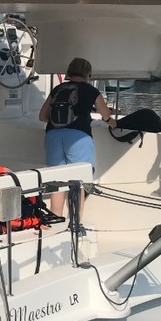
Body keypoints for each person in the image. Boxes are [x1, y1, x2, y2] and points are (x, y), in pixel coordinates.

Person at [39, 57, 116, 216]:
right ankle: (75, 223)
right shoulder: (91, 90)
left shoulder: (58, 88)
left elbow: (42, 115)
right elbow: (105, 114)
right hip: (78, 137)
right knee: (78, 181)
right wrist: (111, 122)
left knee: (57, 181)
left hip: (53, 134)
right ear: (88, 74)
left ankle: (56, 219)